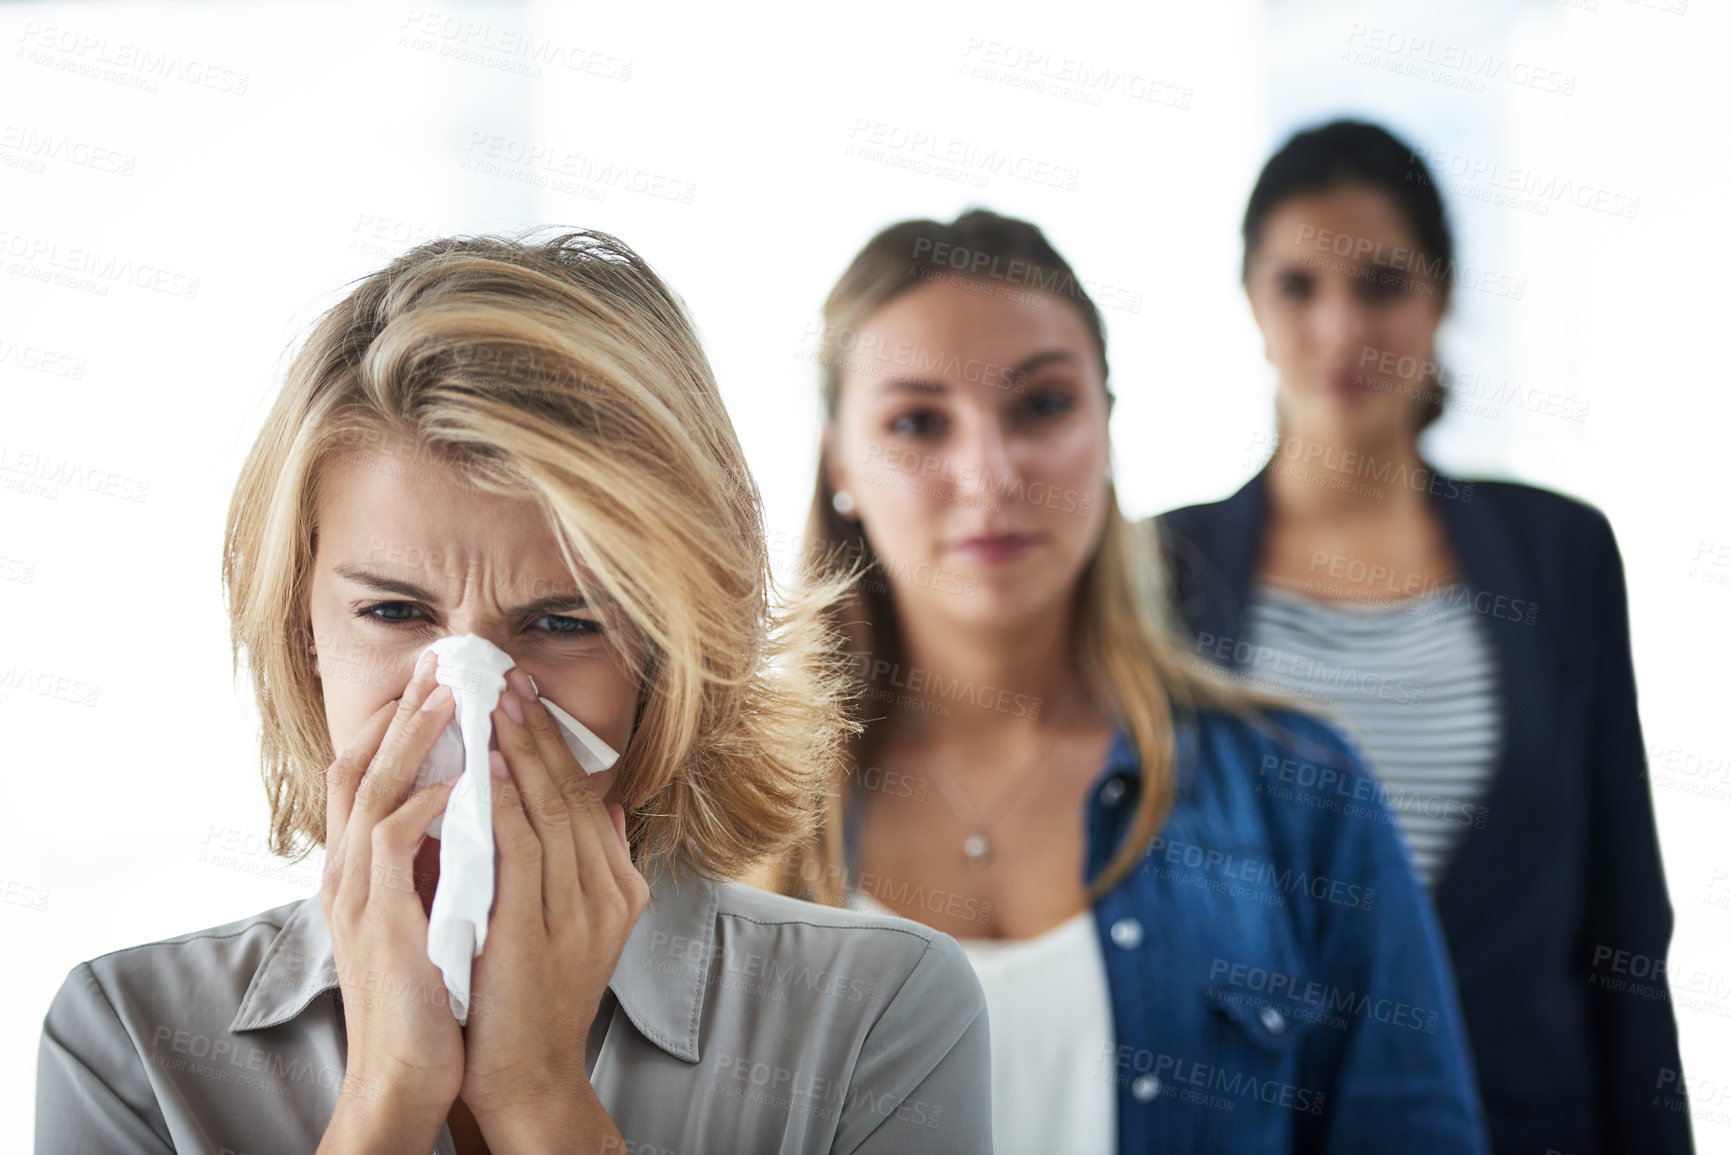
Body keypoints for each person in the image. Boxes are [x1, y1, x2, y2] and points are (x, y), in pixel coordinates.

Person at [34, 231, 991, 1155]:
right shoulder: (130, 1041)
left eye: (566, 622)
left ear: (673, 651)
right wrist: (387, 1097)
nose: (473, 700)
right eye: (397, 611)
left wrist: (538, 1097)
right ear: (302, 629)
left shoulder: (875, 1010)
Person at [764, 208, 1488, 1152]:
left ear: (1105, 425)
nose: (988, 474)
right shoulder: (732, 810)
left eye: (1040, 405)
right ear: (839, 464)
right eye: (916, 421)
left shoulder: (1299, 791)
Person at [1152, 119, 1692, 1154]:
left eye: (1384, 283)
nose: (1341, 328)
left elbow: (1626, 922)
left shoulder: (1559, 552)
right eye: (1299, 286)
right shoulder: (1160, 570)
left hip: (1530, 1122)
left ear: (1441, 297)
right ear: (1253, 308)